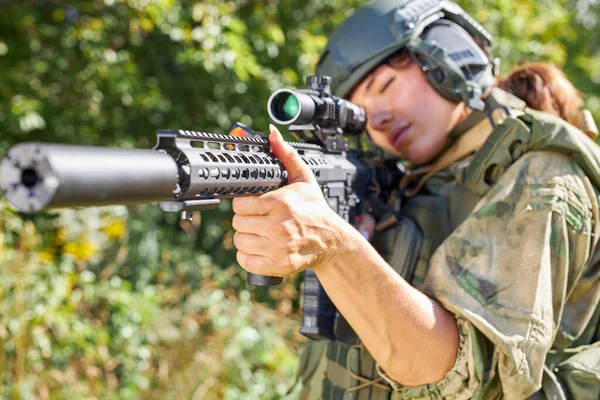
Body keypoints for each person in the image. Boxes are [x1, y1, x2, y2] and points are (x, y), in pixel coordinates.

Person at [231, 1, 600, 399]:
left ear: (449, 58)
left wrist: (337, 248)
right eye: (363, 111)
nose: (378, 119)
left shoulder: (542, 173)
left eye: (385, 86)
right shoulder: (423, 181)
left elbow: (464, 379)